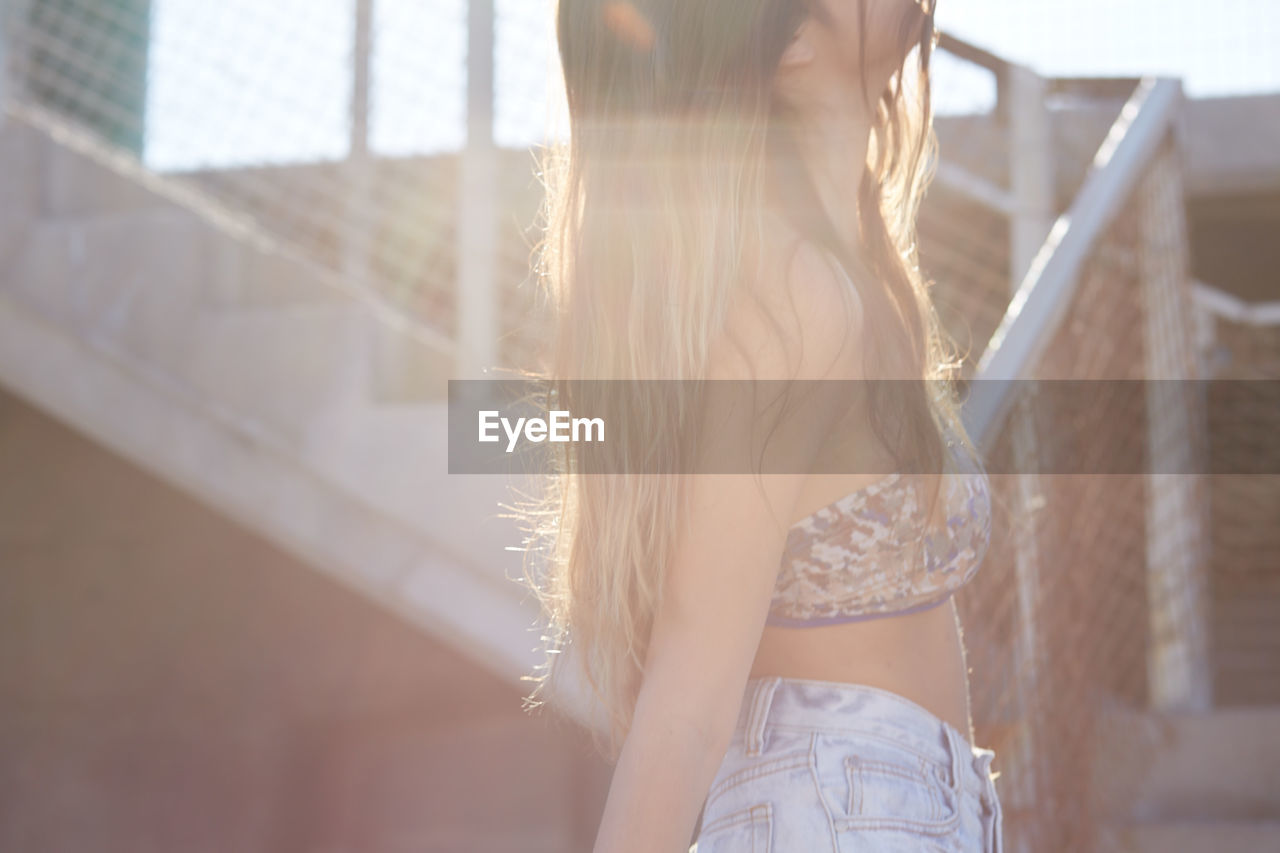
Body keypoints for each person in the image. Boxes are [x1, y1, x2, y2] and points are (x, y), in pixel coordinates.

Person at [511, 0, 1004, 850]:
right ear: (795, 45)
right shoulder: (789, 304)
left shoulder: (848, 273)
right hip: (840, 818)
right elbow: (687, 703)